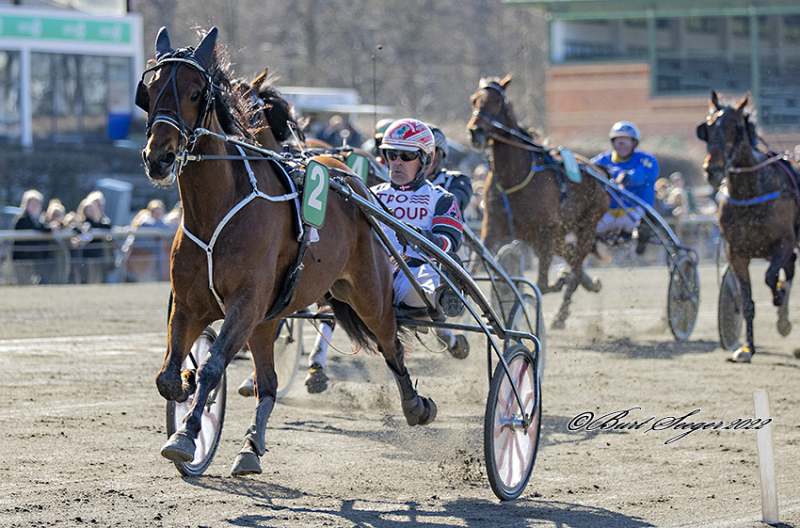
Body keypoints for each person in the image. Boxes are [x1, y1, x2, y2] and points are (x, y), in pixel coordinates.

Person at [372, 118, 468, 358]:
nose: (396, 162)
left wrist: (421, 237)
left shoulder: (441, 198)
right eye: (391, 154)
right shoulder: (369, 195)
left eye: (406, 156)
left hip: (415, 274)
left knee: (425, 274)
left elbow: (449, 241)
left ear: (424, 159)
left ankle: (444, 294)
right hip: (372, 274)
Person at [424, 125, 473, 358]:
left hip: (447, 246)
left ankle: (445, 300)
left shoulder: (456, 181)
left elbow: (460, 201)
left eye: (431, 153)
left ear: (441, 156)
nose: (425, 158)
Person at [591, 121, 659, 255]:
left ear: (634, 143)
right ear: (613, 143)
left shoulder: (646, 159)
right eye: (619, 141)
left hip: (635, 214)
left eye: (626, 141)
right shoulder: (602, 160)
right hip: (607, 214)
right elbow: (588, 168)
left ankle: (641, 240)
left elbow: (645, 173)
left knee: (643, 222)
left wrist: (628, 177)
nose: (622, 144)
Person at [12, 190, 55, 285]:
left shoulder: (37, 219)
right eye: (34, 204)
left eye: (38, 204)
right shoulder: (22, 219)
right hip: (23, 259)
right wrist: (49, 229)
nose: (36, 206)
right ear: (26, 204)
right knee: (24, 283)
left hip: (35, 260)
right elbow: (35, 229)